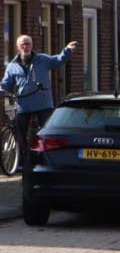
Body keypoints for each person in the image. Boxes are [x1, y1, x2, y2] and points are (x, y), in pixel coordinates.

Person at [3, 35, 77, 167]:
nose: (25, 46)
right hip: (23, 104)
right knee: (20, 132)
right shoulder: (12, 66)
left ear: (32, 45)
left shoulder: (42, 59)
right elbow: (6, 84)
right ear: (17, 47)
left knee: (47, 131)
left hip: (42, 102)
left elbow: (58, 60)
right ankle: (21, 162)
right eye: (22, 44)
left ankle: (48, 159)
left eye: (28, 44)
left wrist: (67, 50)